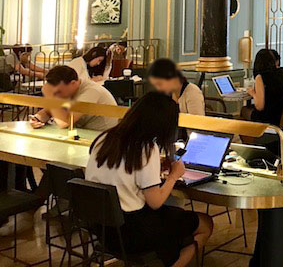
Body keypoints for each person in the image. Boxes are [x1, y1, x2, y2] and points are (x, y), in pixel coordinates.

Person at [85, 92, 213, 267]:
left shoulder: (104, 138)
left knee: (172, 218)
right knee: (205, 224)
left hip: (101, 229)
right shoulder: (146, 148)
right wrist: (174, 176)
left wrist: (154, 169)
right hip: (132, 232)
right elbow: (155, 202)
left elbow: (123, 173)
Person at [30, 65, 117, 131]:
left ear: (73, 83)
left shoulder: (91, 92)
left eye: (59, 91)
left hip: (102, 138)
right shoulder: (69, 91)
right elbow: (49, 111)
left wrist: (50, 97)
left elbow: (65, 123)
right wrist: (37, 119)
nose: (57, 96)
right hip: (83, 133)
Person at [248, 48, 283, 125]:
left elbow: (260, 106)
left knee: (244, 110)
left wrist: (253, 93)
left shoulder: (261, 77)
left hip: (269, 118)